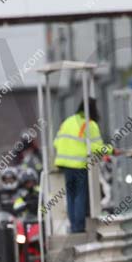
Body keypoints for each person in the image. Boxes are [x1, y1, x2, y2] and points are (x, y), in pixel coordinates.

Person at [53, 98, 121, 233]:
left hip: (65, 165)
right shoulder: (90, 124)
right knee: (80, 195)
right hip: (79, 164)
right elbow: (97, 147)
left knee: (71, 196)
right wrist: (111, 150)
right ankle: (79, 227)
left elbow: (56, 142)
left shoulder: (68, 121)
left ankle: (73, 226)